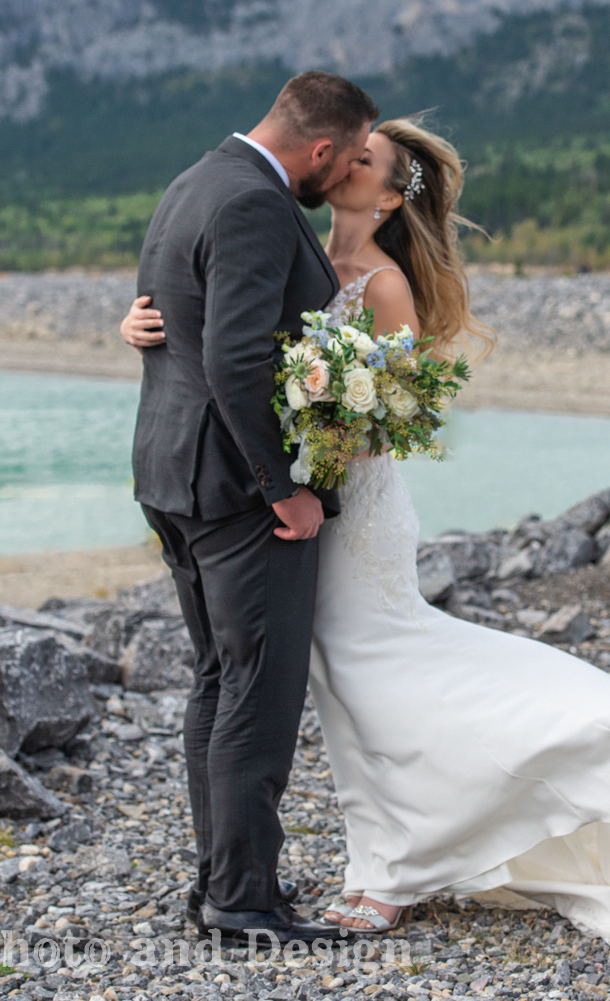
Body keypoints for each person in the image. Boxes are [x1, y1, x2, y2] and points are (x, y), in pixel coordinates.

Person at [122, 118, 610, 981]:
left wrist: (318, 419)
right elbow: (229, 323)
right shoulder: (294, 232)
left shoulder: (383, 285)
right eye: (349, 151)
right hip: (292, 500)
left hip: (349, 506)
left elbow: (387, 420)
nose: (342, 164)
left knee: (371, 679)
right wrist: (152, 323)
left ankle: (401, 860)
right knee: (337, 684)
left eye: (365, 162)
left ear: (383, 196)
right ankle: (315, 869)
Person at [127, 70, 377, 945]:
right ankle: (242, 904)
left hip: (171, 470)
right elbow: (234, 362)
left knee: (218, 679)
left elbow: (170, 319)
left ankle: (223, 880)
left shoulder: (195, 180)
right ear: (318, 150)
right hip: (236, 492)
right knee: (258, 695)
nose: (345, 174)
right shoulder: (258, 207)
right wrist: (288, 488)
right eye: (345, 159)